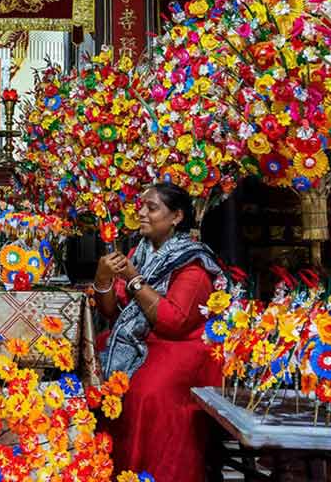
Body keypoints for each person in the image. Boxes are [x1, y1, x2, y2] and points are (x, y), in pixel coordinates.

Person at [93, 182, 223, 481]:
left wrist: (133, 278)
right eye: (141, 206)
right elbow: (112, 312)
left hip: (182, 346)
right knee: (99, 371)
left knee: (145, 391)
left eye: (151, 208)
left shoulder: (192, 261)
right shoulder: (141, 253)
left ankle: (152, 472)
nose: (141, 213)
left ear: (176, 217)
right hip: (145, 340)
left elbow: (173, 321)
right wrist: (103, 279)